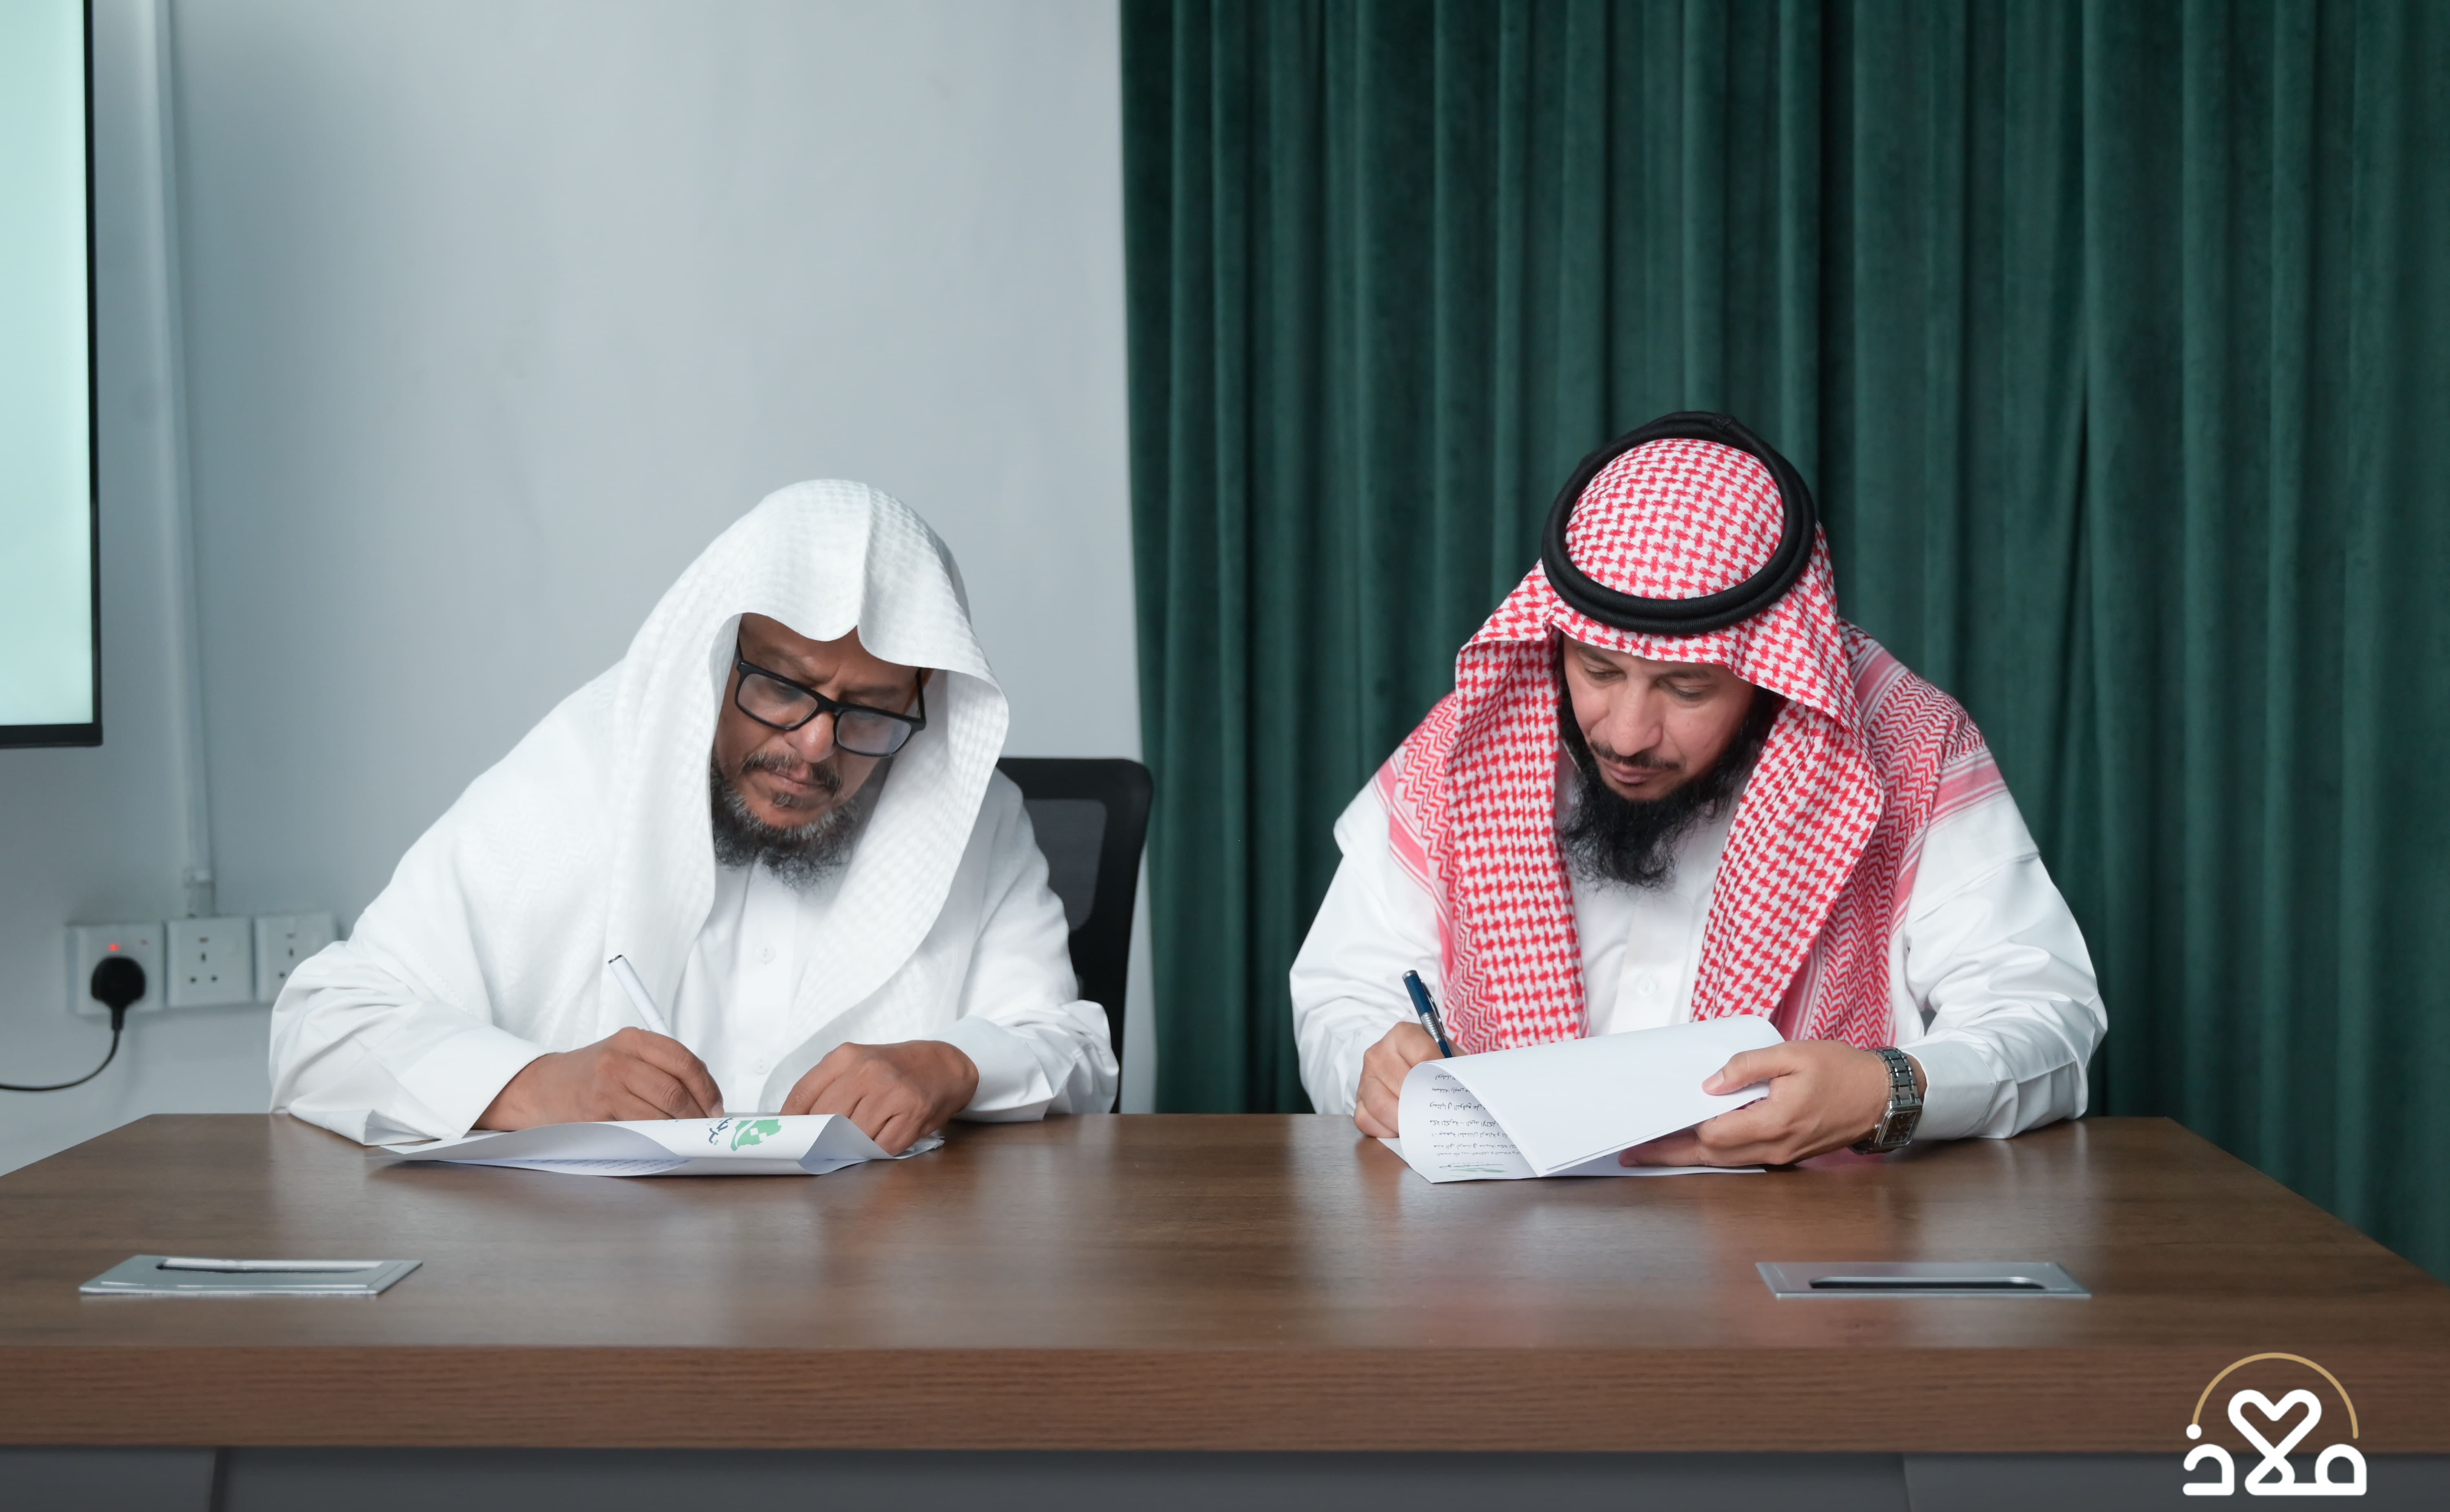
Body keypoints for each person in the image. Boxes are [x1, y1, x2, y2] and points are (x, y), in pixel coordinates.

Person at [1289, 412, 2104, 1166]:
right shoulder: (1470, 745)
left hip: (1809, 1243)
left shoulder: (1908, 744)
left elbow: (2047, 1018)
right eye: (1597, 670)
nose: (1625, 734)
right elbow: (1342, 996)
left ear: (1770, 675)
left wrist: (1885, 1092)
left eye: (1685, 690)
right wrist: (1374, 1066)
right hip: (1499, 1251)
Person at [272, 480, 1115, 1153]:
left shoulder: (969, 815)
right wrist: (536, 1085)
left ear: (922, 696)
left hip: (875, 1281)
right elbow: (321, 1028)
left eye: (869, 710)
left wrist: (952, 1065)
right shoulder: (577, 775)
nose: (815, 746)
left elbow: (1075, 1050)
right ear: (715, 659)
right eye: (781, 686)